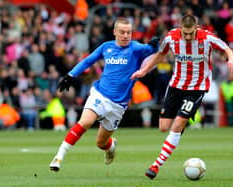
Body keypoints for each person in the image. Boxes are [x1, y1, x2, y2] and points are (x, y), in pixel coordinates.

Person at [131, 14, 233, 179]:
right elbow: (161, 55)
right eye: (185, 33)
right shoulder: (171, 37)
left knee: (178, 124)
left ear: (197, 28)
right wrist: (144, 70)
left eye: (191, 33)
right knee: (163, 127)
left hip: (197, 87)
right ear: (180, 28)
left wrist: (231, 59)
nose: (188, 37)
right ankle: (183, 122)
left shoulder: (207, 37)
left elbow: (226, 48)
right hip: (176, 86)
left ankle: (156, 165)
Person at [49, 18, 159, 172]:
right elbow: (87, 61)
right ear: (115, 32)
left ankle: (111, 147)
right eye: (122, 32)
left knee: (101, 143)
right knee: (85, 122)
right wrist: (70, 76)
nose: (126, 35)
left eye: (129, 32)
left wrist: (155, 44)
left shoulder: (136, 48)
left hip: (118, 105)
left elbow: (154, 50)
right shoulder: (106, 47)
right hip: (100, 94)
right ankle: (58, 157)